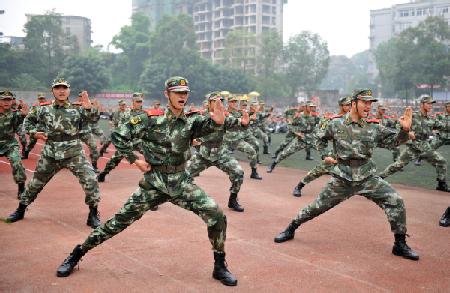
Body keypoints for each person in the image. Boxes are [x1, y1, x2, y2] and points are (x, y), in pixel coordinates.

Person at [55, 77, 237, 286]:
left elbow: (211, 129)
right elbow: (119, 137)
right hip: (154, 182)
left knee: (216, 214)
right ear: (166, 94)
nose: (182, 96)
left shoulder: (192, 120)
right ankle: (77, 253)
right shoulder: (149, 118)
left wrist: (218, 123)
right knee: (117, 223)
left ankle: (219, 265)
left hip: (180, 181)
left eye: (185, 93)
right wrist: (135, 160)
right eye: (177, 92)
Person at [274, 89, 419, 261]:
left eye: (370, 103)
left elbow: (392, 142)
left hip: (367, 176)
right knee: (317, 207)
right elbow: (319, 138)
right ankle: (291, 228)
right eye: (364, 102)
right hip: (342, 177)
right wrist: (325, 155)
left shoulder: (373, 126)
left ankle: (399, 244)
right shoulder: (335, 124)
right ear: (353, 104)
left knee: (395, 201)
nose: (368, 106)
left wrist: (404, 130)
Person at [6, 78, 101, 228]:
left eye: (64, 88)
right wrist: (34, 133)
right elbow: (27, 122)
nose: (61, 91)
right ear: (52, 91)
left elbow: (94, 119)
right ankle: (21, 209)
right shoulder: (42, 109)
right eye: (57, 88)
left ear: (69, 90)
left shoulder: (78, 108)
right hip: (51, 152)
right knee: (35, 183)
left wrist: (89, 107)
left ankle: (93, 214)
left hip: (74, 152)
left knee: (91, 180)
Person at [187, 91, 250, 212]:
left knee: (238, 173)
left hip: (221, 154)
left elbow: (238, 124)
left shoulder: (224, 116)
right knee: (183, 177)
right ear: (209, 103)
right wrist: (194, 139)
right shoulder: (199, 116)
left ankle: (233, 199)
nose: (219, 103)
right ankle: (164, 198)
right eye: (215, 101)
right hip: (203, 154)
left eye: (221, 101)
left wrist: (244, 123)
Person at [379, 95, 449, 193]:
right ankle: (379, 178)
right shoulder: (413, 115)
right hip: (414, 146)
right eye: (428, 103)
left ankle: (441, 184)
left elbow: (443, 126)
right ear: (422, 104)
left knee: (441, 162)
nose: (430, 106)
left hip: (424, 145)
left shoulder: (431, 119)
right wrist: (407, 132)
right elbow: (400, 124)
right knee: (398, 165)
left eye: (431, 104)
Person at [292, 96, 351, 197]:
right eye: (347, 105)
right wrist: (324, 156)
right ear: (341, 106)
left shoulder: (354, 120)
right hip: (336, 153)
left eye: (351, 105)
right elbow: (320, 137)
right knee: (319, 170)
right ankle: (299, 186)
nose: (350, 107)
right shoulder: (332, 120)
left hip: (351, 153)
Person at [267, 101, 320, 173]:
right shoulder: (299, 117)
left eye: (313, 107)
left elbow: (320, 124)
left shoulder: (315, 116)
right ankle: (272, 165)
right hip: (301, 140)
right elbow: (290, 125)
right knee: (285, 153)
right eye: (310, 106)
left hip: (312, 140)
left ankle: (330, 169)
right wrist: (296, 132)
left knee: (325, 153)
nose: (312, 108)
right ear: (305, 107)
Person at [0, 90, 28, 197]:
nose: (6, 102)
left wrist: (24, 115)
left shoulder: (14, 114)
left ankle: (21, 189)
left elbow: (19, 120)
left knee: (17, 163)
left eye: (9, 100)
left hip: (9, 144)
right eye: (3, 100)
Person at [22, 93, 50, 159]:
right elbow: (31, 118)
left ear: (45, 99)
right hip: (37, 127)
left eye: (43, 98)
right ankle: (26, 153)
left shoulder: (49, 106)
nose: (42, 100)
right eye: (40, 99)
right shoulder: (35, 107)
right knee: (32, 142)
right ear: (38, 99)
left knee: (50, 140)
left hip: (46, 127)